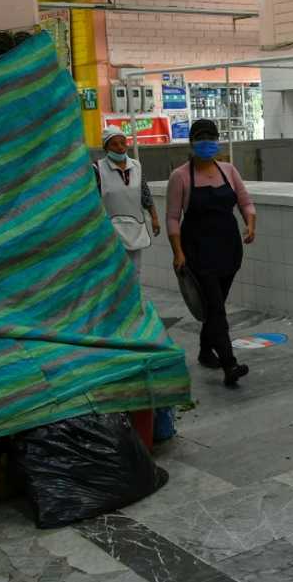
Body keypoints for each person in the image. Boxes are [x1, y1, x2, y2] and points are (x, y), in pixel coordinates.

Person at [166, 119, 256, 387]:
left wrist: (250, 225)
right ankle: (229, 364)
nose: (207, 142)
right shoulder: (180, 176)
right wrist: (178, 252)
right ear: (192, 143)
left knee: (214, 307)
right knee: (216, 308)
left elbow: (246, 202)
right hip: (198, 251)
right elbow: (172, 218)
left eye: (211, 137)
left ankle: (206, 351)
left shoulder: (228, 170)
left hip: (229, 249)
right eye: (201, 138)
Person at [95, 126, 160, 276]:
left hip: (134, 227)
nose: (120, 147)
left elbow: (145, 194)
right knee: (113, 272)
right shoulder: (98, 169)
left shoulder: (136, 166)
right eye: (114, 144)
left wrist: (155, 218)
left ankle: (135, 298)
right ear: (106, 148)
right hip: (110, 230)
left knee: (134, 270)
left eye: (123, 143)